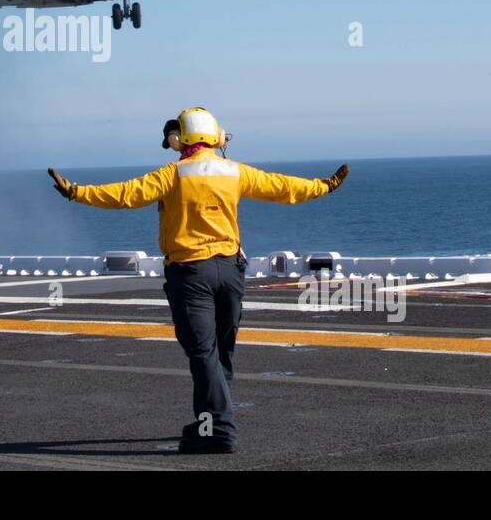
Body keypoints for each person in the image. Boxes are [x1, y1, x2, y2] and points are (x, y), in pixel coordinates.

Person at [48, 107, 348, 454]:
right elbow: (283, 187)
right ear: (217, 137)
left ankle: (219, 429)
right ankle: (206, 423)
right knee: (220, 351)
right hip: (232, 271)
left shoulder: (171, 175)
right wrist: (323, 186)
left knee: (202, 352)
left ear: (179, 140)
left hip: (191, 274)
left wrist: (77, 192)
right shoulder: (233, 172)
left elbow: (124, 194)